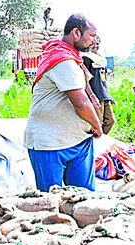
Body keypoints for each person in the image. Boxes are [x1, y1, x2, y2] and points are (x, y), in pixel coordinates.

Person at [23, 13, 101, 192]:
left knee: (84, 200)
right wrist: (97, 125)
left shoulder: (72, 58)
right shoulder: (62, 60)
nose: (94, 41)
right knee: (52, 204)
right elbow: (81, 103)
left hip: (78, 139)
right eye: (91, 35)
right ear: (76, 33)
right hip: (50, 144)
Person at [82, 36, 116, 134]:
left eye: (97, 44)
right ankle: (94, 145)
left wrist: (108, 95)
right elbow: (85, 80)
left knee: (110, 121)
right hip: (95, 96)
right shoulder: (86, 58)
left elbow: (103, 80)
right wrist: (91, 96)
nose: (95, 46)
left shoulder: (101, 60)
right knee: (97, 123)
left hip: (104, 95)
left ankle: (99, 141)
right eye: (92, 44)